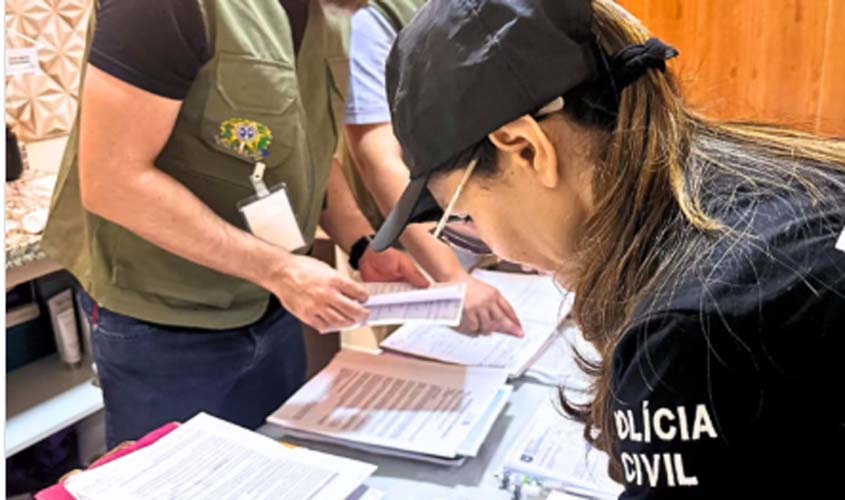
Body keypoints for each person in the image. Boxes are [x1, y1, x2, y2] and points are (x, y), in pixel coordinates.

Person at [371, 0, 845, 497]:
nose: (490, 245)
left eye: (462, 216)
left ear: (527, 150)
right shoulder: (777, 172)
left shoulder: (689, 328)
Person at [41, 0, 427, 449]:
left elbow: (309, 151)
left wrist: (362, 244)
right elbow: (113, 179)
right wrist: (279, 270)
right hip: (166, 324)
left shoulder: (330, 14)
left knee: (274, 474)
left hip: (272, 308)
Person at [342, 0, 523, 336]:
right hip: (420, 249)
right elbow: (378, 159)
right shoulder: (373, 20)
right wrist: (451, 277)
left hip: (488, 228)